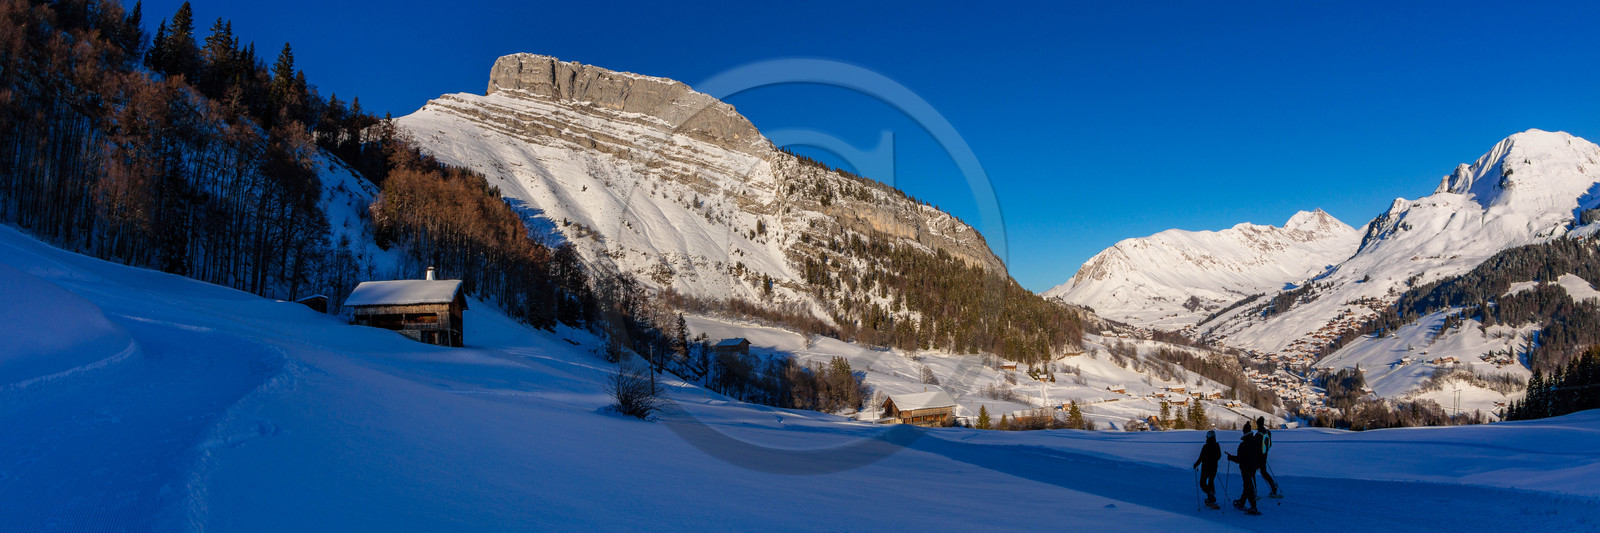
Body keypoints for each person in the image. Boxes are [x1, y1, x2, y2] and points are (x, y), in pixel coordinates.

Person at [1226, 422, 1263, 515]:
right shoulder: (1255, 442)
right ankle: (1241, 502)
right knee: (1247, 486)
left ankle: (1253, 507)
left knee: (1248, 487)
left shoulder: (1243, 445)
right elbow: (1259, 454)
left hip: (1245, 468)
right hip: (1253, 468)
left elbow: (1240, 459)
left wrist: (1230, 457)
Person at [1193, 430, 1222, 509]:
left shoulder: (1205, 446)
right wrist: (1213, 460)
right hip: (1214, 467)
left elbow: (1201, 457)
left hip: (1206, 468)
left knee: (1202, 483)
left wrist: (1196, 464)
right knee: (1211, 482)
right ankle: (1211, 497)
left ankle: (1210, 495)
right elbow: (1219, 456)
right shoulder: (1217, 445)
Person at [1256, 416, 1281, 498]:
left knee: (1252, 473)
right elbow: (1269, 444)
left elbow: (1255, 447)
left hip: (1258, 457)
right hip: (1265, 454)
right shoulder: (1267, 432)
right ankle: (1273, 485)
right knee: (1264, 472)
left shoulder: (1258, 435)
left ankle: (1253, 492)